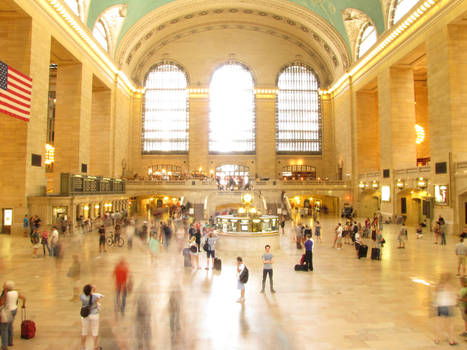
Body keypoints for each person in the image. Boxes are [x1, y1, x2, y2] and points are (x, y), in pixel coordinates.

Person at [432, 273, 457, 345]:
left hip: (440, 305)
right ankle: (451, 340)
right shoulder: (451, 286)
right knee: (450, 323)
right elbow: (454, 295)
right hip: (449, 305)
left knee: (439, 323)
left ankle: (437, 339)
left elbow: (435, 295)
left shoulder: (438, 286)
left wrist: (434, 304)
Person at [0, 281, 26, 349]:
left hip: (6, 312)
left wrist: (4, 295)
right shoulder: (16, 292)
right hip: (14, 310)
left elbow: (1, 303)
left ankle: (4, 346)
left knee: (4, 329)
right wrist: (23, 305)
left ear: (6, 287)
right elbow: (24, 298)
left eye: (4, 285)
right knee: (10, 326)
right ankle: (10, 342)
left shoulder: (6, 294)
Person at [80, 284, 104, 350]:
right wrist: (94, 289)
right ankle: (95, 346)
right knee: (95, 330)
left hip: (85, 315)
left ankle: (83, 346)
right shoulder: (95, 297)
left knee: (84, 331)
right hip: (94, 314)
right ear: (90, 290)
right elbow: (96, 300)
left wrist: (91, 290)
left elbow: (87, 295)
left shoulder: (82, 296)